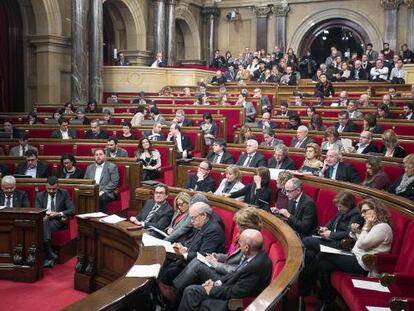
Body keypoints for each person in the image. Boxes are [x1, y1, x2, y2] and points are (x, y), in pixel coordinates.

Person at [317, 198, 393, 308]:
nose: (363, 215)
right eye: (362, 212)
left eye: (365, 211)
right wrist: (355, 232)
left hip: (363, 264)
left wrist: (365, 227)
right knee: (323, 265)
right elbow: (359, 240)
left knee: (322, 253)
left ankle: (307, 285)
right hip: (355, 257)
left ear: (376, 209)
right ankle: (327, 301)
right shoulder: (374, 226)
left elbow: (363, 244)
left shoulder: (382, 227)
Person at [171, 207, 263, 293]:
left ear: (246, 226)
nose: (237, 228)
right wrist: (218, 256)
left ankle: (175, 290)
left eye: (239, 225)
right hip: (224, 268)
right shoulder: (240, 235)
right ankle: (174, 287)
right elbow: (231, 256)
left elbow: (238, 270)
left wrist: (217, 264)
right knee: (198, 259)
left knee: (198, 265)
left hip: (227, 277)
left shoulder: (250, 242)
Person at [177, 228, 272, 311]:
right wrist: (216, 283)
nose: (239, 245)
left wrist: (212, 290)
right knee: (191, 290)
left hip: (231, 301)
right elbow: (235, 273)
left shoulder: (255, 266)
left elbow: (236, 292)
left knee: (191, 292)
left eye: (240, 243)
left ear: (247, 247)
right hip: (226, 286)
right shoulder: (255, 254)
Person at [300, 191, 363, 296]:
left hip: (340, 244)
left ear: (348, 205)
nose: (338, 209)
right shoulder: (342, 210)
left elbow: (349, 233)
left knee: (307, 240)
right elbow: (331, 222)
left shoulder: (356, 214)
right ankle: (314, 291)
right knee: (313, 257)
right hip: (330, 241)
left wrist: (331, 234)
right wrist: (324, 228)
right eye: (338, 206)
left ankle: (304, 282)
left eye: (341, 207)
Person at [158, 202, 225, 288]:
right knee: (164, 266)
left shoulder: (213, 231)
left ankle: (169, 297)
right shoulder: (201, 224)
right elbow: (192, 242)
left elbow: (204, 255)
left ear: (203, 216)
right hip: (188, 259)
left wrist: (185, 254)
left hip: (197, 267)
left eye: (193, 218)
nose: (191, 221)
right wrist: (183, 247)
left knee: (169, 271)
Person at [35, 176, 75, 267]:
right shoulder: (40, 195)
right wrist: (44, 216)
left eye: (54, 189)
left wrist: (58, 214)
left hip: (57, 220)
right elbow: (37, 210)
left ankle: (48, 254)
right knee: (44, 222)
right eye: (49, 189)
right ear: (46, 186)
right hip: (43, 220)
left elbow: (72, 210)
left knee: (43, 225)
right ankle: (50, 254)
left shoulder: (64, 194)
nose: (51, 191)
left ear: (58, 187)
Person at [84, 148, 120, 213]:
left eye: (100, 154)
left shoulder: (112, 166)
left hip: (107, 192)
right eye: (96, 155)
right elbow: (86, 180)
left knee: (101, 198)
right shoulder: (90, 167)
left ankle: (101, 219)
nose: (98, 156)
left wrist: (102, 191)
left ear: (105, 156)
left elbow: (114, 182)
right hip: (92, 191)